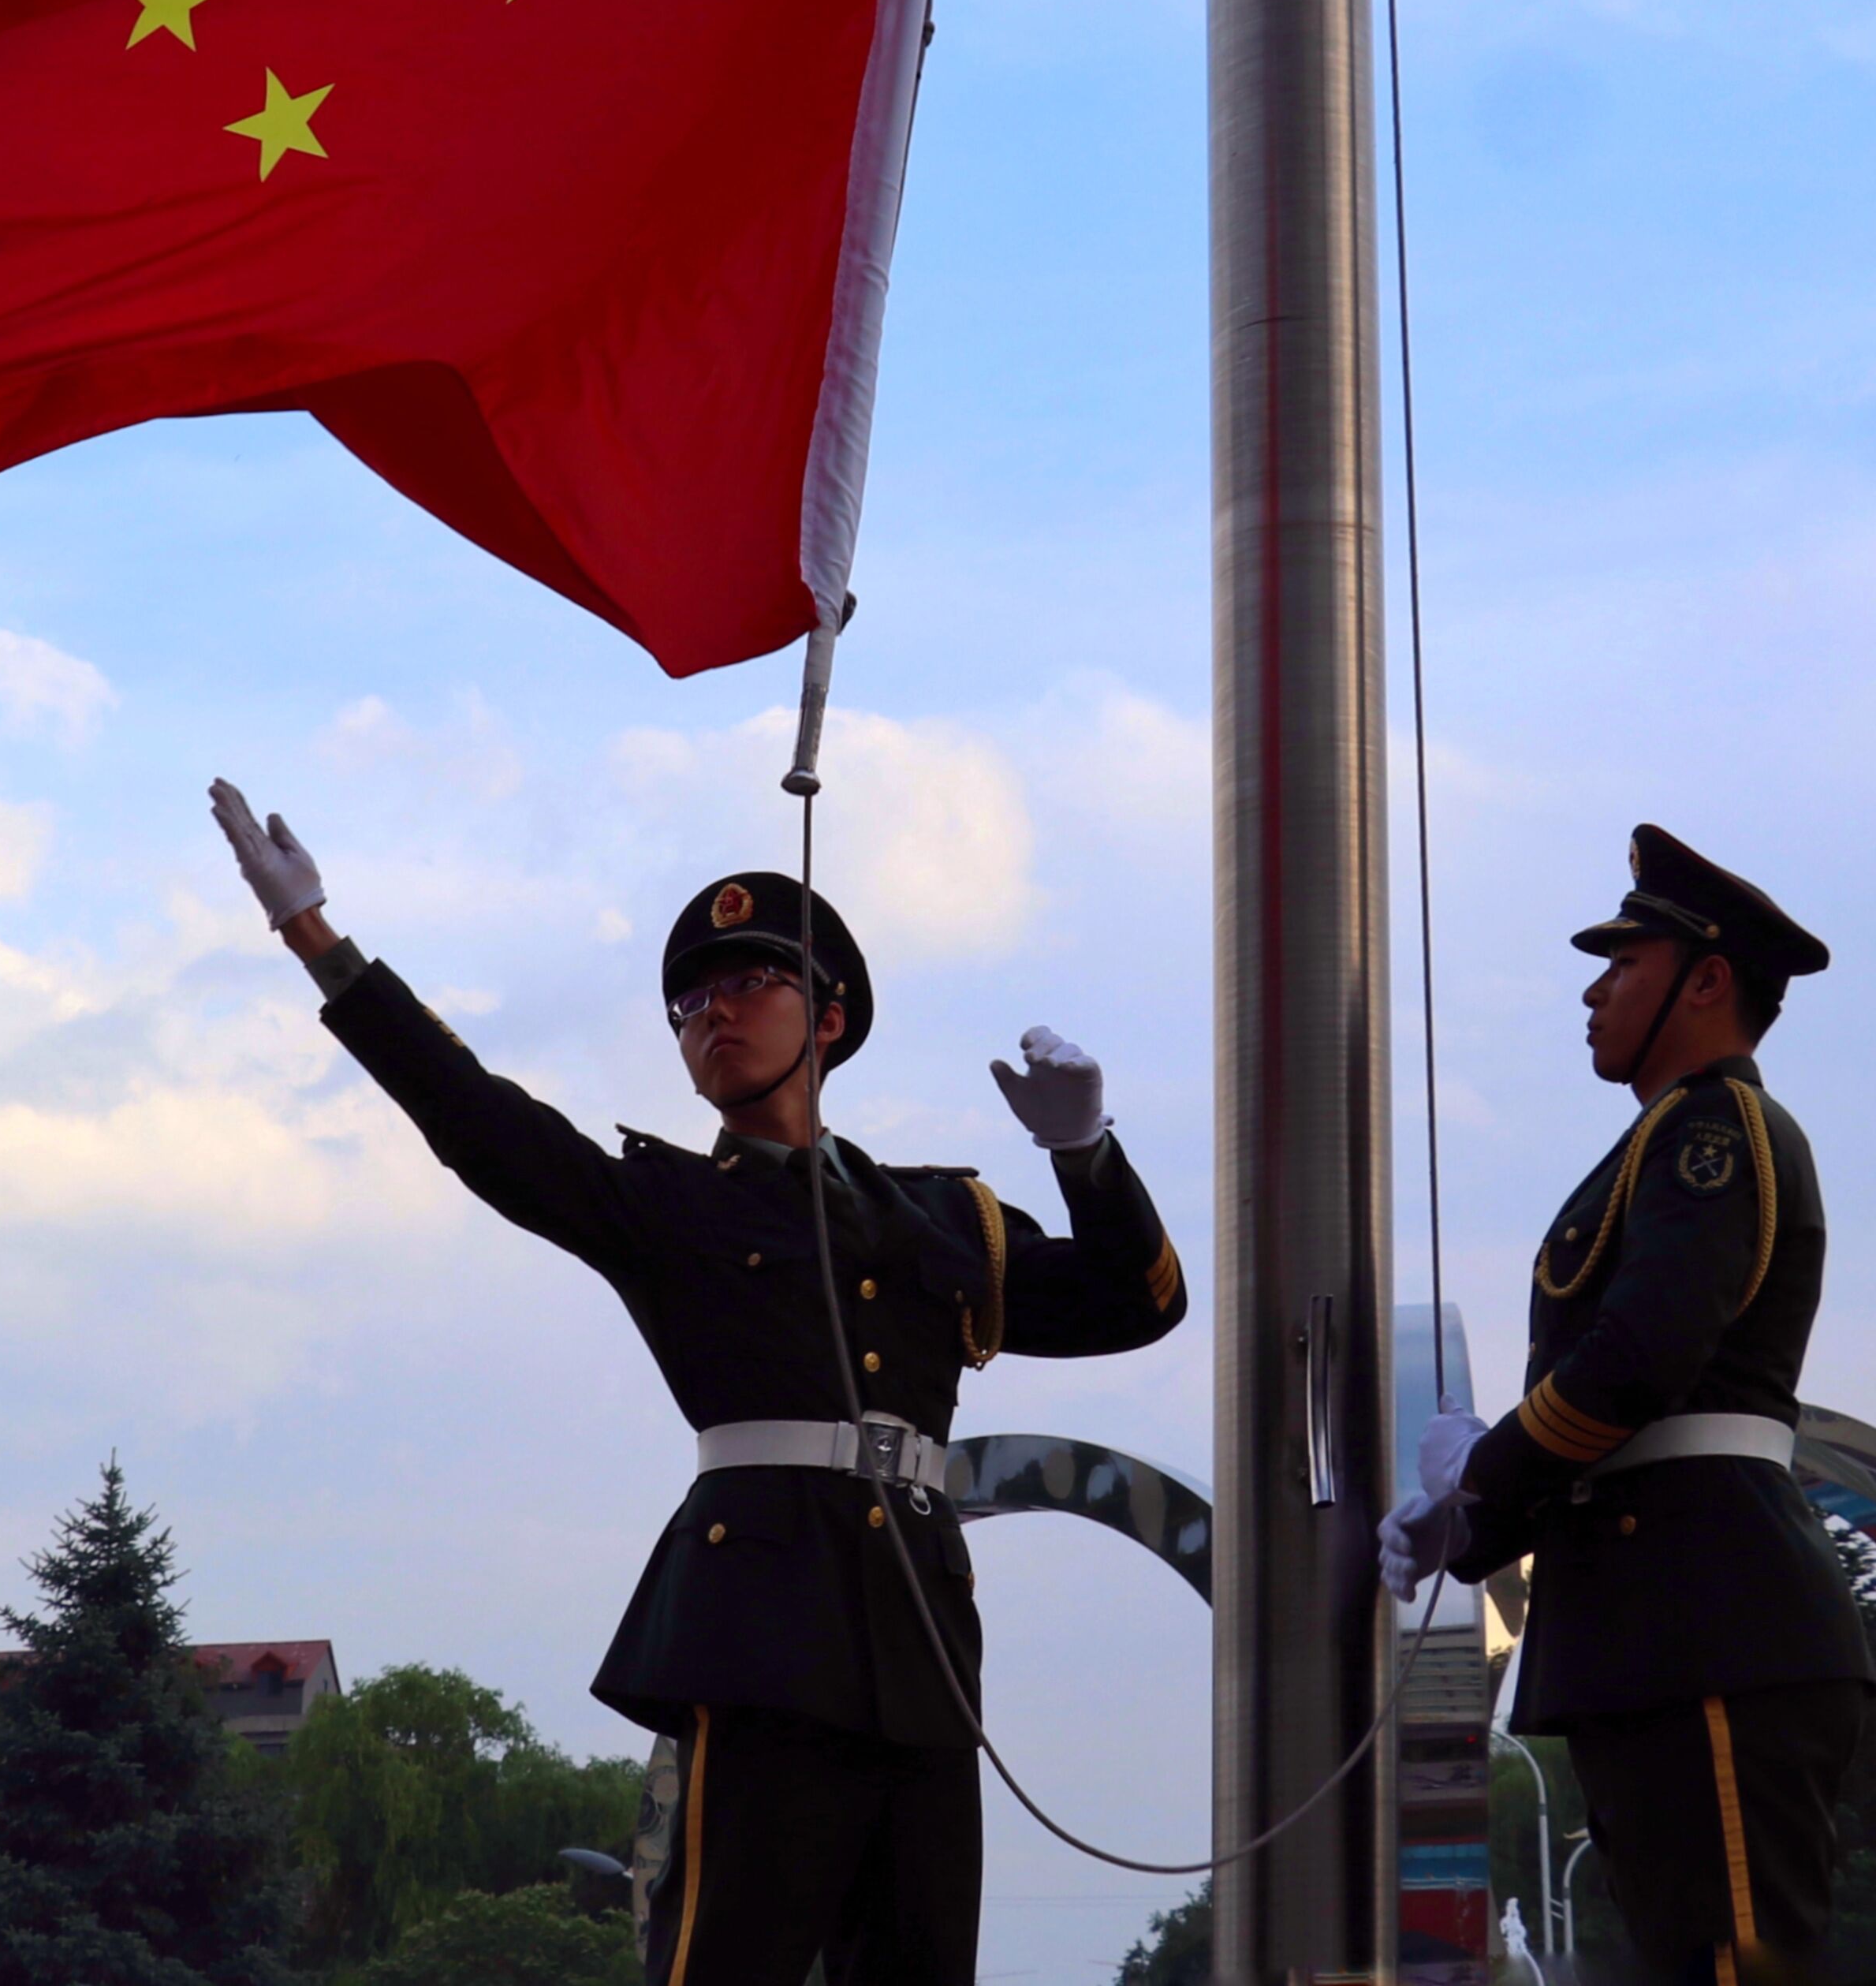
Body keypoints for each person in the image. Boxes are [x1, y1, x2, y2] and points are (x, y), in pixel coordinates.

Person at [209, 780, 1186, 1986]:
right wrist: (321, 943)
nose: (712, 1014)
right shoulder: (668, 1205)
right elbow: (479, 1121)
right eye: (690, 1003)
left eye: (746, 985)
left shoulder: (942, 1215)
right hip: (763, 1633)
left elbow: (1137, 1305)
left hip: (924, 1646)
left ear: (826, 1019)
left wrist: (1085, 1154)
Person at [1378, 825, 1873, 1986]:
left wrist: (1485, 1480)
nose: (1594, 992)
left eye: (1624, 965)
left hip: (1709, 1613)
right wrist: (1475, 1522)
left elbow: (1643, 1358)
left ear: (1705, 982)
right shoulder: (1660, 1141)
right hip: (1660, 1618)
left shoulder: (1713, 1132)